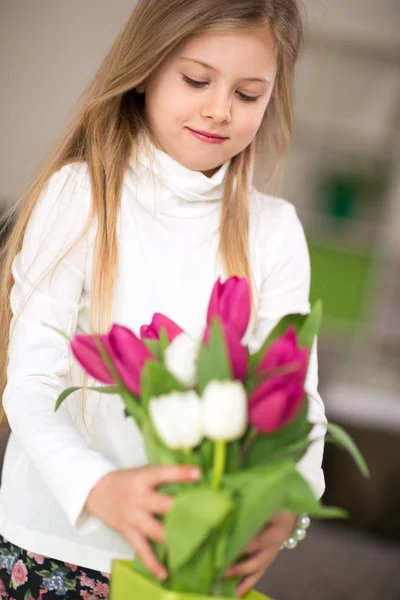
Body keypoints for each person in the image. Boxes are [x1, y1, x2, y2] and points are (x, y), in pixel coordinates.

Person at [0, 0, 327, 597]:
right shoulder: (79, 194)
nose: (218, 109)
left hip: (193, 565)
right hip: (55, 546)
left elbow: (296, 397)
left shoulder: (276, 231)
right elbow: (30, 382)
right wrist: (98, 486)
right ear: (147, 67)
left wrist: (289, 507)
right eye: (197, 80)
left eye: (249, 94)